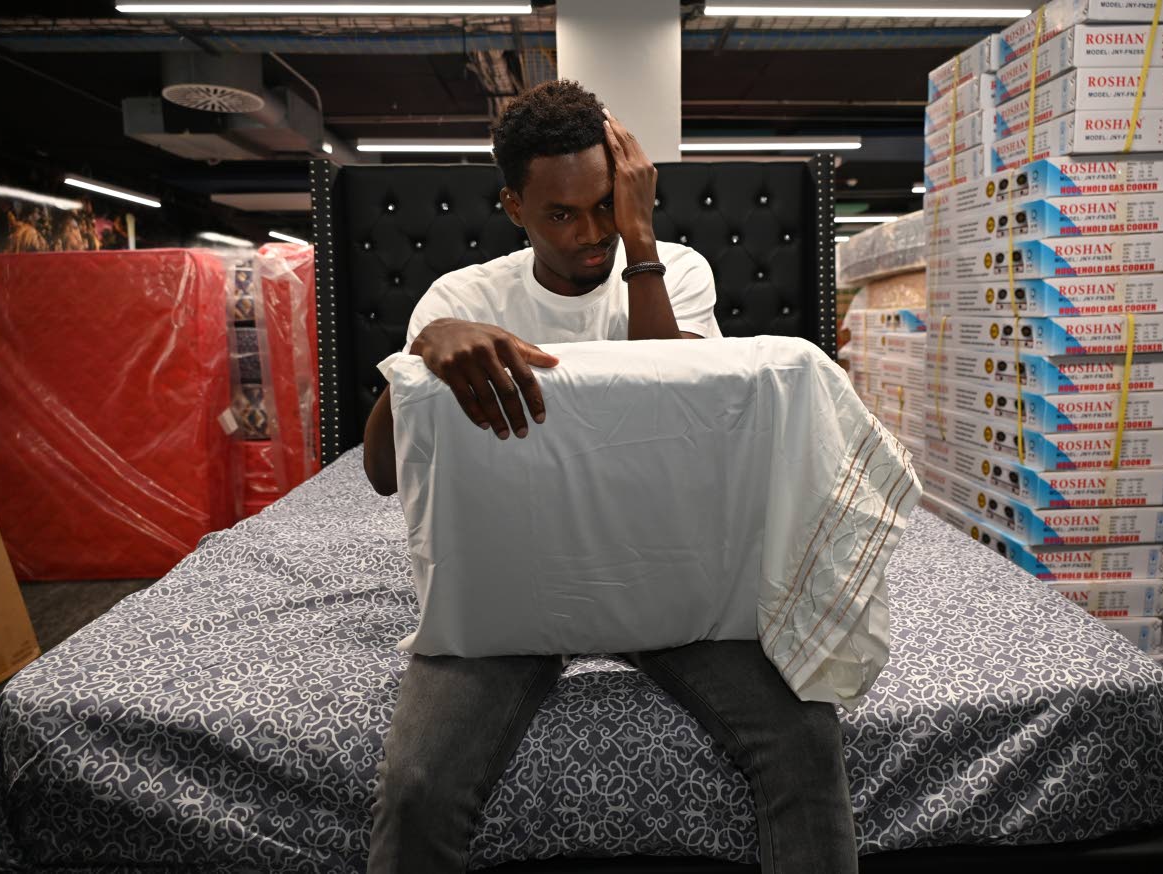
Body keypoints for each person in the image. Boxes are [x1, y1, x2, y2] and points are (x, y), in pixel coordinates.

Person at [362, 79, 857, 874]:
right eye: (562, 213)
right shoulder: (462, 297)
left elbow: (680, 427)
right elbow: (383, 475)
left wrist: (641, 242)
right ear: (514, 207)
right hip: (510, 591)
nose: (590, 233)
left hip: (667, 580)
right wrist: (421, 352)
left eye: (604, 206)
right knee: (418, 787)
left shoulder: (673, 270)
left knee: (805, 739)